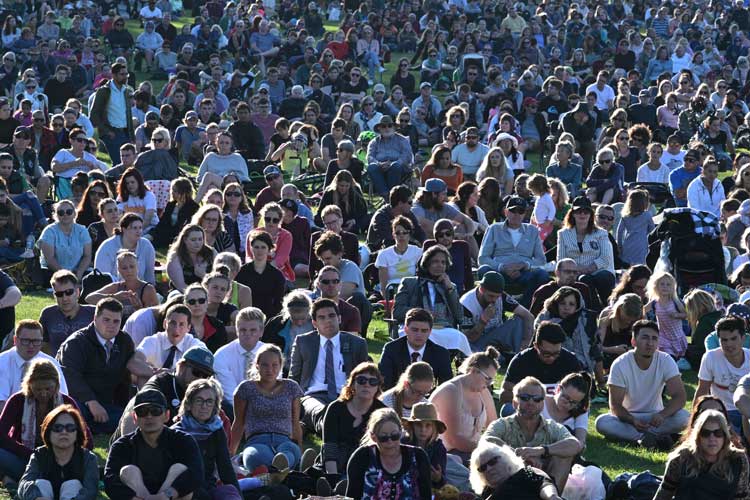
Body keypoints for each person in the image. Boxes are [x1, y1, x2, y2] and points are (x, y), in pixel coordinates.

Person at [595, 320, 690, 448]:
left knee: (684, 417)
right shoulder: (620, 364)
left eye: (654, 339)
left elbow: (680, 397)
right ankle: (649, 437)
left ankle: (641, 437)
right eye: (645, 338)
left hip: (656, 417)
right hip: (629, 418)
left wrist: (662, 415)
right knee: (602, 422)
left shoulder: (666, 360)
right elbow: (615, 405)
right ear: (633, 341)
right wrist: (632, 420)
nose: (650, 343)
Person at [483, 376, 581, 491]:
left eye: (537, 399)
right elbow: (486, 441)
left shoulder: (552, 427)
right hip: (509, 484)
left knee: (564, 456)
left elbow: (575, 445)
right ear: (514, 403)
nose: (530, 402)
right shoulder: (503, 424)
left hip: (546, 486)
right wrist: (518, 457)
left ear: (543, 404)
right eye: (524, 398)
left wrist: (541, 450)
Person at [104, 388, 203, 500]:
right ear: (135, 417)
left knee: (179, 470)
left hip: (170, 497)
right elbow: (110, 480)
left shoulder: (183, 440)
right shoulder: (122, 445)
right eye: (142, 411)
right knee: (128, 471)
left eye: (155, 411)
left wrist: (166, 494)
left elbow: (196, 474)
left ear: (167, 415)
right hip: (139, 496)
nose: (149, 416)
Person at [0, 359, 89, 483]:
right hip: (24, 458)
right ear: (29, 385)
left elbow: (86, 438)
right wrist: (31, 454)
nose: (43, 393)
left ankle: (21, 478)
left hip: (59, 461)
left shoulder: (67, 402)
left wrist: (63, 455)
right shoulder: (17, 401)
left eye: (48, 389)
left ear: (57, 385)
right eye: (38, 389)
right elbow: (1, 435)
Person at [56, 298, 136, 434]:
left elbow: (125, 378)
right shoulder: (76, 343)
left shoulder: (124, 341)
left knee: (130, 418)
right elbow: (69, 376)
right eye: (106, 320)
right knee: (73, 414)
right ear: (95, 318)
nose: (111, 325)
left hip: (108, 404)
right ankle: (89, 427)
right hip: (79, 401)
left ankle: (92, 428)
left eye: (116, 321)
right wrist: (91, 401)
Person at [289, 298, 369, 434]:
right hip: (313, 395)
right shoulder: (303, 342)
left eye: (332, 316)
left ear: (339, 319)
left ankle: (327, 428)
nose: (327, 320)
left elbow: (364, 378)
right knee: (321, 411)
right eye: (321, 317)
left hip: (346, 395)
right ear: (314, 323)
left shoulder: (357, 344)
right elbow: (294, 378)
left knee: (346, 410)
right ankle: (334, 429)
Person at [231, 343, 303, 471]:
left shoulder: (291, 387)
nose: (270, 369)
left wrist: (299, 448)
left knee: (292, 450)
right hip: (258, 441)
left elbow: (295, 422)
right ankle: (283, 468)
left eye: (274, 365)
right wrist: (230, 453)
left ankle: (281, 466)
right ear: (257, 365)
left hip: (284, 440)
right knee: (256, 457)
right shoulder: (246, 388)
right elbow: (239, 423)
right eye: (265, 365)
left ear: (280, 366)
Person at [392, 245, 472, 356]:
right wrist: (422, 314)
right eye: (435, 261)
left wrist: (450, 289)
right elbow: (397, 312)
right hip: (416, 326)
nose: (439, 265)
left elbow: (459, 316)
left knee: (457, 337)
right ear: (426, 263)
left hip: (443, 327)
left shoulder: (449, 286)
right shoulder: (409, 283)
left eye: (443, 262)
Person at [653, 410, 750, 500]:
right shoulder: (681, 458)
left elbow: (742, 497)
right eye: (705, 433)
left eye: (718, 433)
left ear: (725, 436)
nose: (712, 438)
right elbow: (664, 494)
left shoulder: (738, 459)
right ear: (698, 436)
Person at [172, 378, 242, 500]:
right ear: (189, 404)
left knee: (230, 493)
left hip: (209, 486)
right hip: (183, 489)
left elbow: (225, 468)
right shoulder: (176, 432)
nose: (204, 406)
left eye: (209, 401)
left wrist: (238, 494)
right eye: (199, 401)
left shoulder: (216, 430)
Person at [345, 407, 432, 500]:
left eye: (395, 436)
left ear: (401, 432)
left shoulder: (418, 456)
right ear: (373, 437)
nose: (390, 442)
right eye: (383, 437)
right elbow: (352, 496)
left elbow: (426, 495)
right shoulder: (362, 456)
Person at [319, 362, 386, 482]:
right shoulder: (335, 408)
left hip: (365, 465)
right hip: (334, 463)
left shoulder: (382, 412)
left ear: (377, 387)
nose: (366, 385)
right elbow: (330, 446)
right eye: (361, 380)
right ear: (352, 384)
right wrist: (332, 477)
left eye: (373, 382)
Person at [430, 348, 500, 462]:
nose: (488, 384)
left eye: (491, 381)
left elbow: (494, 428)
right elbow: (453, 439)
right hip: (445, 455)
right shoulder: (451, 390)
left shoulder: (483, 392)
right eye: (487, 379)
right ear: (473, 370)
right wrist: (488, 450)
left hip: (472, 452)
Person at [478, 196, 549, 308]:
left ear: (525, 214)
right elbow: (483, 258)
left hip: (524, 272)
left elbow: (541, 260)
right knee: (484, 270)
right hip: (499, 272)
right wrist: (502, 267)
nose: (516, 214)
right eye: (513, 210)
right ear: (506, 212)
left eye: (520, 211)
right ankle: (496, 308)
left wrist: (525, 265)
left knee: (542, 275)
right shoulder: (494, 229)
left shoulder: (533, 230)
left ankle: (525, 308)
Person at [16, 404, 99, 500]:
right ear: (48, 431)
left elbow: (90, 491)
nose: (64, 432)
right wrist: (37, 498)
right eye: (57, 428)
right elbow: (24, 484)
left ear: (77, 432)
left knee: (73, 485)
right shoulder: (39, 455)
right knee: (41, 484)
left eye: (70, 428)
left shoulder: (88, 458)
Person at [499, 322, 583, 412]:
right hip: (529, 410)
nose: (551, 358)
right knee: (508, 409)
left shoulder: (570, 361)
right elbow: (504, 394)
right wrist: (528, 398)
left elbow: (583, 396)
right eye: (546, 354)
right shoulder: (521, 361)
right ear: (536, 346)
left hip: (559, 412)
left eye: (556, 353)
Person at [694, 316, 750, 433]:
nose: (729, 344)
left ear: (743, 338)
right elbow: (702, 389)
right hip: (722, 412)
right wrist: (694, 419)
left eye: (733, 338)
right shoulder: (710, 357)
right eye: (724, 340)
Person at [557, 196, 615, 306]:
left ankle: (609, 306)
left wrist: (588, 269)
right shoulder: (563, 234)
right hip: (576, 273)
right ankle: (594, 310)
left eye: (586, 211)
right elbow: (562, 260)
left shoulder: (601, 233)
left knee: (603, 277)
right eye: (579, 211)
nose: (582, 214)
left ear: (591, 214)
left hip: (601, 270)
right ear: (573, 214)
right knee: (584, 280)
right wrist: (577, 270)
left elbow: (605, 258)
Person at [0, 320, 68, 411]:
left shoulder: (51, 363)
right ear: (15, 340)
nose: (31, 346)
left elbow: (62, 398)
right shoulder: (2, 362)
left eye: (36, 341)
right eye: (26, 341)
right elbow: (1, 403)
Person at [461, 271, 534, 354]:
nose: (494, 300)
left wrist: (525, 342)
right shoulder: (466, 304)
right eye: (491, 296)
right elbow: (468, 338)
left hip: (498, 335)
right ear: (482, 289)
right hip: (478, 342)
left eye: (497, 296)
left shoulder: (501, 296)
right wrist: (483, 321)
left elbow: (528, 316)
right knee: (470, 352)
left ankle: (520, 354)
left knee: (519, 319)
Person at [378, 308, 452, 390]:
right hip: (396, 398)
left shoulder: (441, 354)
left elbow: (446, 387)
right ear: (406, 329)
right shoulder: (391, 349)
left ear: (430, 332)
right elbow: (384, 383)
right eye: (415, 330)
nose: (419, 335)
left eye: (424, 331)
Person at [214, 306, 267, 416]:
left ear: (261, 331)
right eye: (243, 330)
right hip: (233, 410)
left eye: (253, 330)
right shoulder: (222, 355)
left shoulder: (271, 354)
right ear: (237, 330)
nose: (247, 334)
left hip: (265, 407)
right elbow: (230, 394)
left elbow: (271, 388)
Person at [469, 440, 563, 500]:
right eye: (482, 468)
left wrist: (552, 497)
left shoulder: (525, 473)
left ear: (506, 458)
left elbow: (543, 483)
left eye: (493, 461)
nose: (488, 469)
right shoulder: (486, 495)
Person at [130, 304, 206, 375]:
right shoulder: (154, 341)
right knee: (142, 376)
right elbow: (133, 363)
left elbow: (204, 370)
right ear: (164, 324)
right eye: (172, 323)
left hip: (182, 387)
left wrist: (170, 374)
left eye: (181, 324)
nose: (176, 329)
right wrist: (158, 374)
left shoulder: (194, 345)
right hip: (156, 385)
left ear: (188, 328)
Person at [40, 271, 95, 356]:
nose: (64, 298)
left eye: (69, 292)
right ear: (54, 296)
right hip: (57, 365)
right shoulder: (48, 314)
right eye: (59, 294)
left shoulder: (93, 312)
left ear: (77, 292)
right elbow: (42, 344)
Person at [89, 62, 133, 165]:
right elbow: (94, 115)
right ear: (113, 75)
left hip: (125, 132)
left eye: (126, 74)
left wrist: (131, 136)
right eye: (122, 74)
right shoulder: (104, 91)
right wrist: (107, 132)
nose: (125, 77)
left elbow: (128, 114)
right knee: (119, 163)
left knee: (128, 163)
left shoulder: (126, 91)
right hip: (111, 132)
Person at [94, 214, 156, 285]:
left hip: (139, 289)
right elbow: (102, 277)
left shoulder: (146, 245)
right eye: (134, 228)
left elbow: (149, 274)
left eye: (140, 228)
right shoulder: (107, 247)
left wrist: (150, 290)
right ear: (124, 229)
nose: (138, 231)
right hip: (112, 290)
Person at [235, 230, 286, 318]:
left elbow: (279, 302)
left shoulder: (277, 275)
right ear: (251, 248)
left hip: (269, 317)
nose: (259, 250)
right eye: (256, 247)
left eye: (263, 247)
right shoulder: (241, 272)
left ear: (269, 249)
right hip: (246, 317)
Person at [38, 200, 92, 283]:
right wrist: (66, 276)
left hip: (77, 272)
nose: (65, 215)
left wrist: (79, 274)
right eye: (61, 212)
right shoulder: (49, 231)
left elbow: (87, 256)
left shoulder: (82, 230)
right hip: (53, 272)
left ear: (74, 214)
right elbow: (50, 259)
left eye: (69, 212)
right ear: (56, 215)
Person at [366, 185, 426, 252]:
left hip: (400, 249)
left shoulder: (408, 214)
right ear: (400, 203)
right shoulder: (381, 217)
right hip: (378, 252)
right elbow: (388, 241)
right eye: (409, 202)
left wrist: (425, 246)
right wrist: (413, 245)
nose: (411, 205)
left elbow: (419, 232)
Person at [365, 115, 414, 198]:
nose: (387, 128)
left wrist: (394, 163)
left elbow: (407, 155)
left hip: (399, 169)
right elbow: (369, 157)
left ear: (394, 128)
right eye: (383, 126)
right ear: (379, 129)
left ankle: (391, 196)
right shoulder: (374, 142)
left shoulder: (402, 140)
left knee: (395, 166)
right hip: (380, 168)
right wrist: (379, 164)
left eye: (389, 126)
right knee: (372, 167)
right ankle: (387, 196)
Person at [530, 259, 599, 316]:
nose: (572, 275)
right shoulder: (544, 291)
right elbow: (533, 317)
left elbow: (589, 314)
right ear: (557, 273)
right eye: (567, 272)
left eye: (575, 272)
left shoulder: (583, 288)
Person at [543, 372, 592, 449]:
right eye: (566, 398)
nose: (568, 404)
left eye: (574, 402)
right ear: (558, 389)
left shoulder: (581, 410)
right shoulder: (540, 403)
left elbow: (580, 441)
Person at [149, 177, 200, 248]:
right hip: (166, 233)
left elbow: (186, 225)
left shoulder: (193, 207)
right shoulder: (171, 205)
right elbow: (163, 222)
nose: (172, 192)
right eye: (172, 190)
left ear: (183, 192)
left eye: (175, 191)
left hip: (180, 235)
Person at [312, 266, 362, 335]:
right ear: (318, 285)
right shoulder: (309, 309)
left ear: (340, 284)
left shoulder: (352, 311)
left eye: (335, 281)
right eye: (326, 282)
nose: (331, 285)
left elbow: (351, 341)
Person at [166, 224, 215, 293]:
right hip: (183, 294)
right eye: (193, 240)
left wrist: (203, 275)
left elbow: (220, 279)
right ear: (185, 240)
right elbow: (181, 286)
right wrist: (201, 297)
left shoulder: (212, 253)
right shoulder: (175, 258)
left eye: (200, 239)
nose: (197, 243)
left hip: (210, 293)